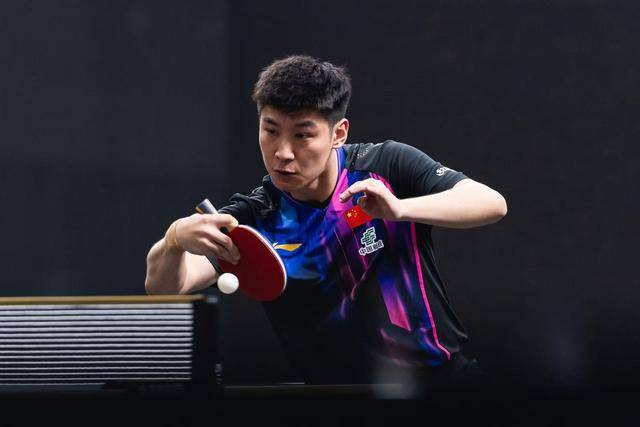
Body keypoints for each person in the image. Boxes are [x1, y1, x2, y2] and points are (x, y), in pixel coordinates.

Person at [145, 55, 507, 392]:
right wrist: (174, 240)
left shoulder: (386, 167)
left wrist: (400, 209)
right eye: (271, 130)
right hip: (334, 400)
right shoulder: (253, 218)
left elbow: (490, 203)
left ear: (338, 133)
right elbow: (166, 289)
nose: (283, 152)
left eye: (302, 135)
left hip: (442, 388)